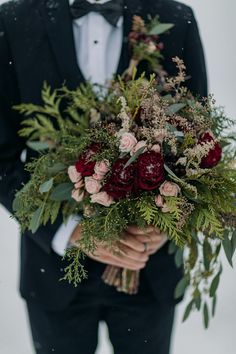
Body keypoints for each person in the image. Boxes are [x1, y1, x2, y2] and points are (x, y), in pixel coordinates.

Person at [0, 0, 207, 353]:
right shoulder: (14, 20)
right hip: (55, 273)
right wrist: (71, 233)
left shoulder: (175, 19)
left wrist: (167, 219)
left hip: (148, 271)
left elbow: (198, 143)